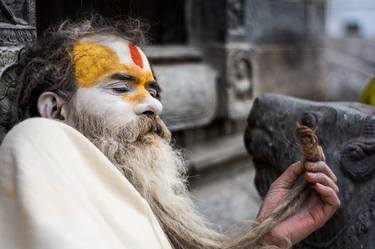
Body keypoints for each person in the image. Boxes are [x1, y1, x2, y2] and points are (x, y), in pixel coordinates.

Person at [0, 18, 340, 249]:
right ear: (56, 109)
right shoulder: (38, 138)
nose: (154, 107)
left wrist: (269, 236)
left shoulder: (127, 195)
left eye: (154, 92)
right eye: (121, 87)